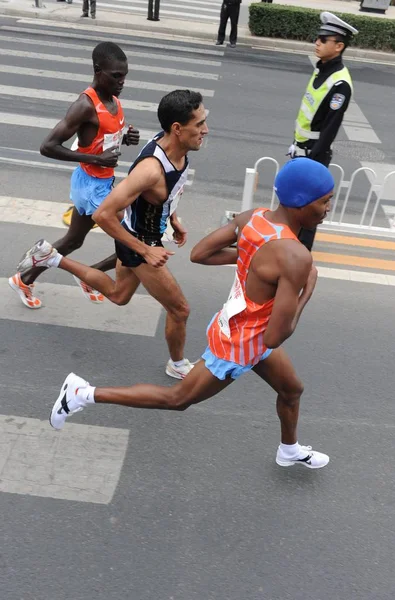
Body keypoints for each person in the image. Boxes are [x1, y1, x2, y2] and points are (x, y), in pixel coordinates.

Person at [24, 158, 332, 468]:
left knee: (292, 389)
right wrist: (306, 291)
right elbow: (276, 336)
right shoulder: (295, 257)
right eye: (325, 201)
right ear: (301, 203)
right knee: (178, 399)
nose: (328, 208)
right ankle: (81, 393)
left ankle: (289, 450)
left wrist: (252, 257)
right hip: (241, 344)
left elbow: (200, 254)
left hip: (241, 325)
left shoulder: (255, 218)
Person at [18, 90, 209, 380]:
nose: (205, 130)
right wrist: (145, 251)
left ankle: (51, 257)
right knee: (180, 310)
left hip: (140, 237)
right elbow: (103, 215)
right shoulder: (150, 170)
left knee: (120, 296)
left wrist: (172, 218)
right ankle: (178, 364)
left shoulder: (175, 147)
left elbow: (164, 193)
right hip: (141, 245)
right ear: (177, 129)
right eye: (200, 124)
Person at [9, 41, 140, 309]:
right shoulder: (85, 105)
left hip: (99, 182)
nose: (122, 82)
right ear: (97, 70)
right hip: (93, 187)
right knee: (134, 242)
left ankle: (24, 279)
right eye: (116, 76)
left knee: (74, 240)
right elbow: (48, 146)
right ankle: (92, 275)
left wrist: (126, 138)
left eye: (124, 75)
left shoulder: (113, 101)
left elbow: (103, 138)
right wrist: (95, 158)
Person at [287, 12, 358, 251]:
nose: (317, 43)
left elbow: (329, 129)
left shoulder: (340, 84)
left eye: (323, 39)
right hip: (301, 149)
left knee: (308, 207)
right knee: (294, 203)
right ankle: (289, 246)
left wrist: (311, 163)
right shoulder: (321, 69)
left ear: (338, 46)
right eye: (317, 38)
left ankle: (300, 256)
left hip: (313, 155)